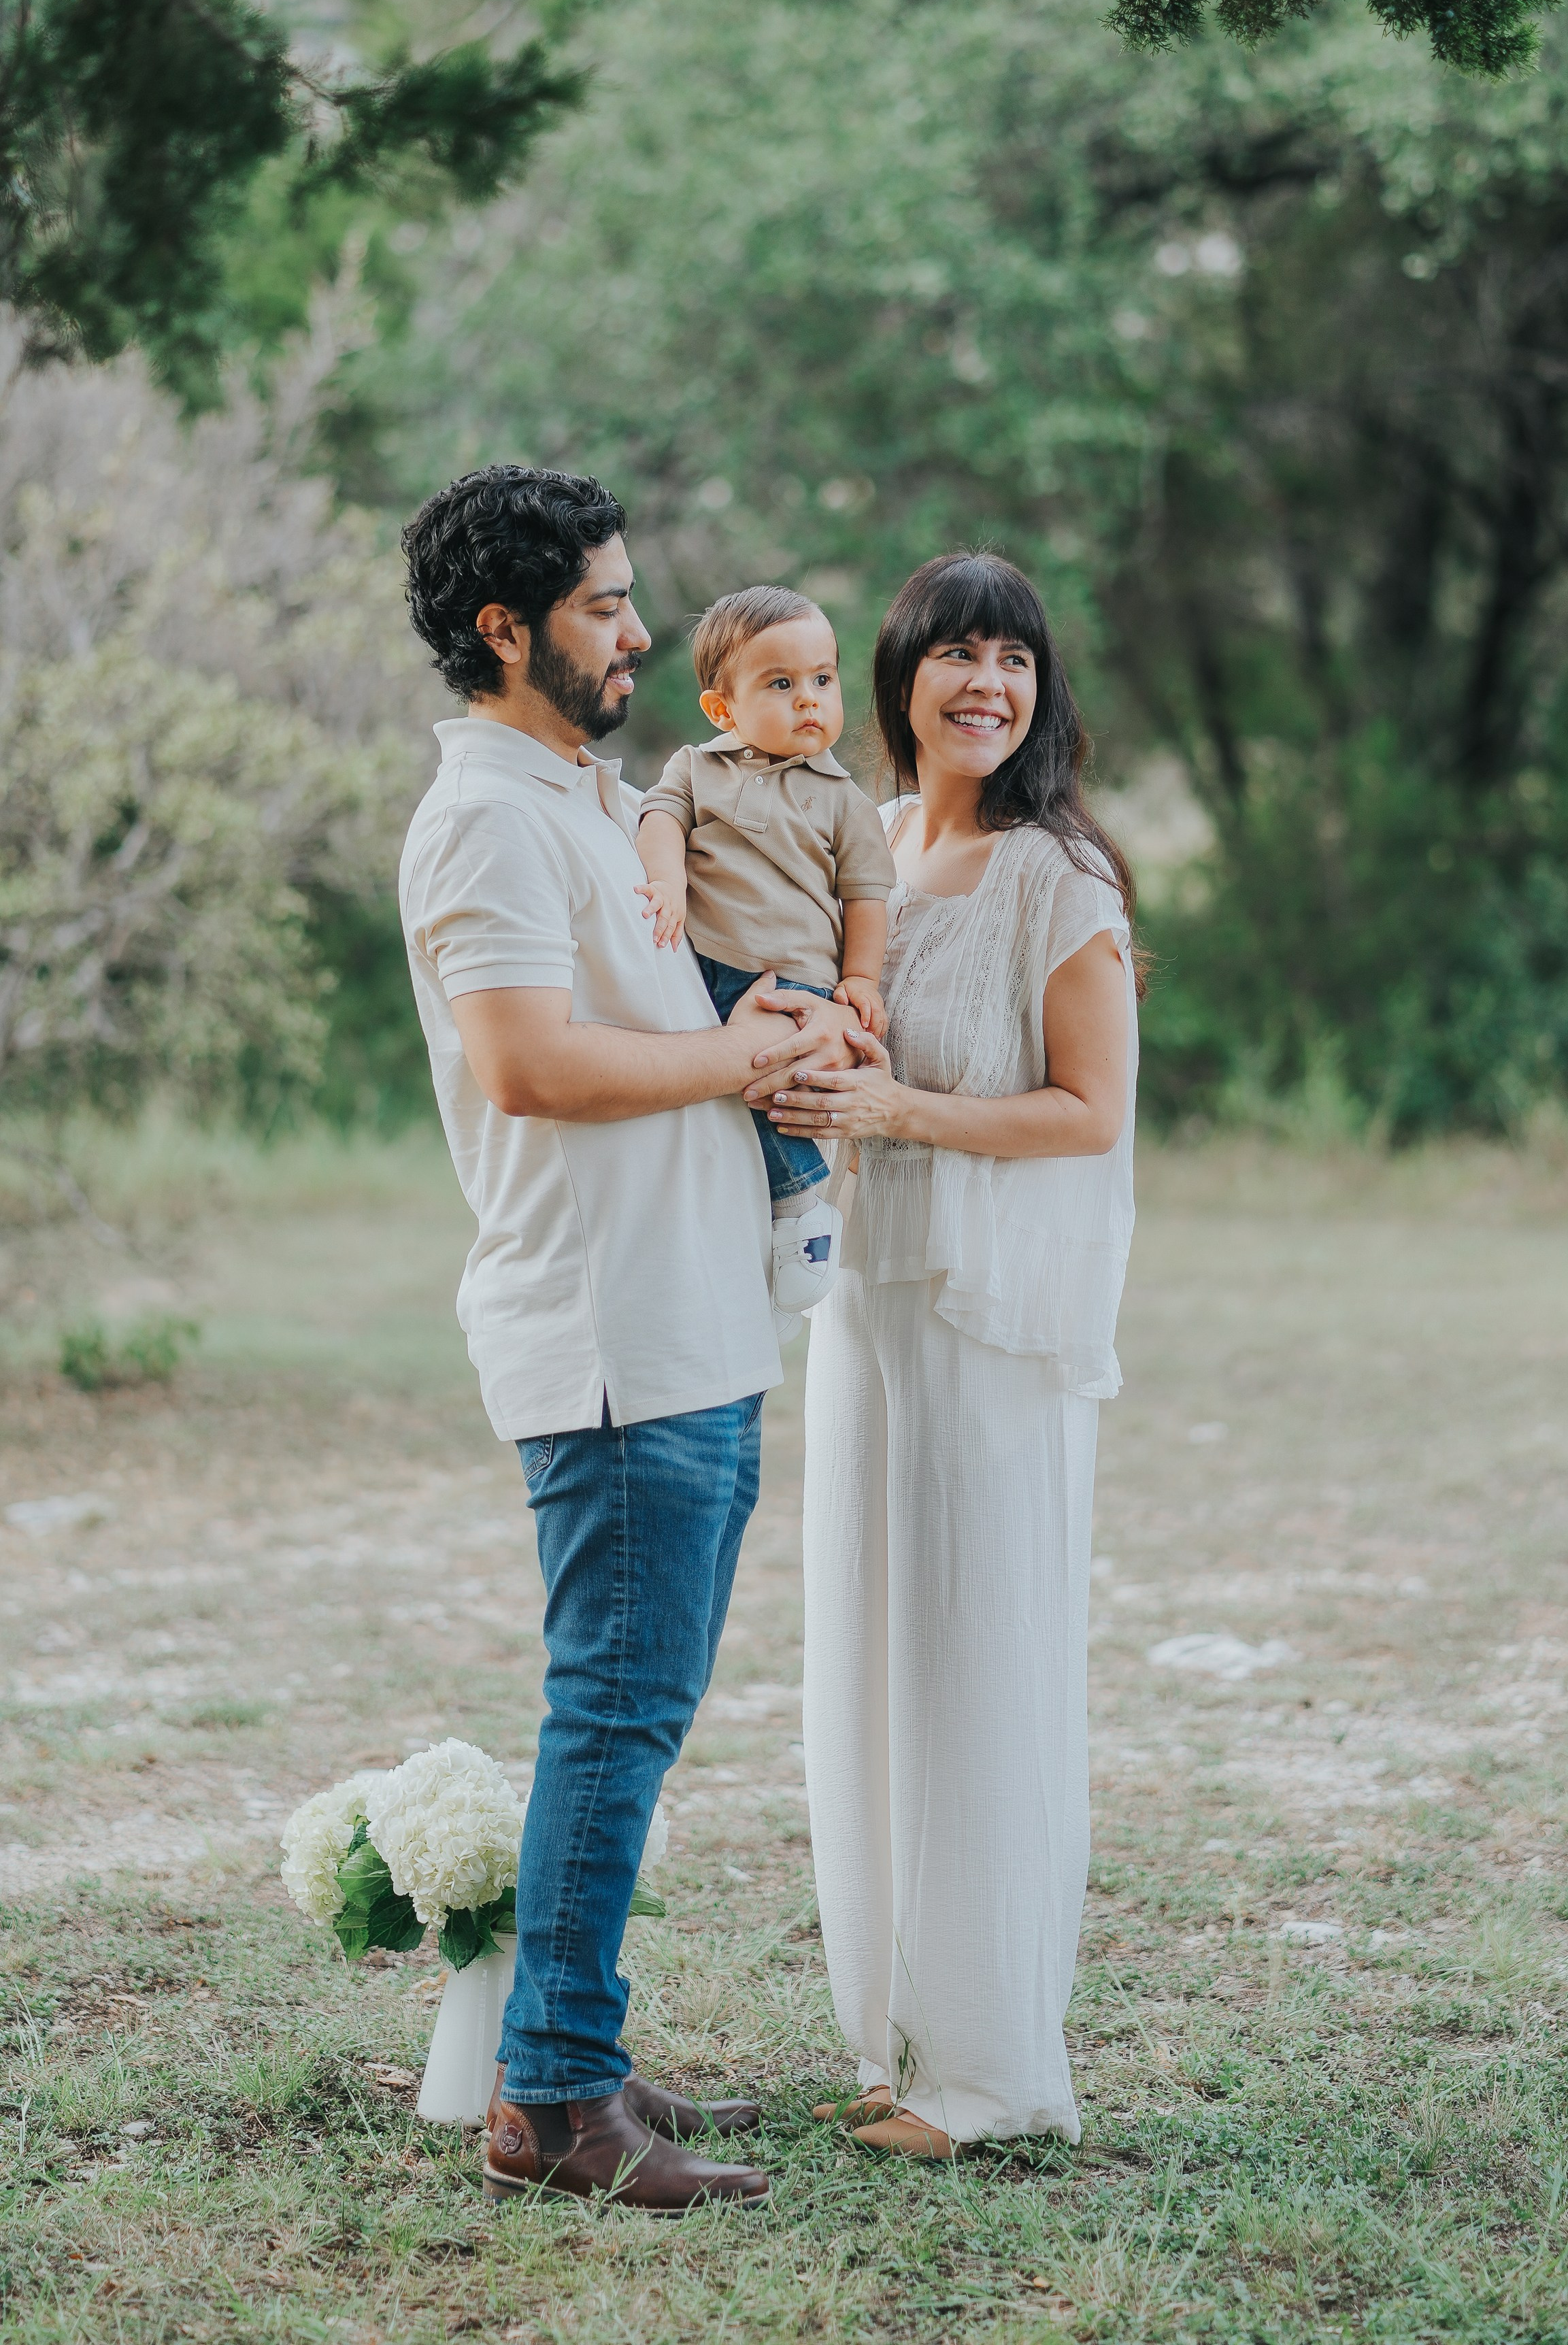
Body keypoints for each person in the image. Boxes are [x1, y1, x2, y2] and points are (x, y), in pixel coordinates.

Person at [397, 466, 848, 2212]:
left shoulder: (581, 796)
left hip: (691, 1321)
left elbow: (649, 1025)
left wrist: (770, 1034)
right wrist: (740, 1065)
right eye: (604, 604)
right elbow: (530, 1065)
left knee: (633, 1716)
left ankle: (576, 2038)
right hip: (606, 1340)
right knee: (613, 1715)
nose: (642, 630)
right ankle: (556, 2101)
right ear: (506, 629)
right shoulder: (488, 820)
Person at [765, 551, 1140, 2158]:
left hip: (991, 1329)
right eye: (956, 655)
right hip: (869, 1316)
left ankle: (992, 2076)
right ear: (901, 679)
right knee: (872, 1660)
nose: (987, 683)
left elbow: (1089, 1113)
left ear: (1039, 690)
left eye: (1015, 658)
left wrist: (901, 1109)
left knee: (979, 1664)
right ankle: (897, 2033)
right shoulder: (869, 850)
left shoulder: (1063, 884)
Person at [635, 584, 897, 1331]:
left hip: (794, 979)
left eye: (822, 679)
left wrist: (859, 978)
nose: (808, 699)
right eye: (780, 685)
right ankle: (740, 1231)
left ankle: (799, 1211)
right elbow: (660, 819)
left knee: (772, 1099)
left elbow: (867, 896)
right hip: (699, 964)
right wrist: (667, 880)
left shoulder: (842, 797)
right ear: (722, 709)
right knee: (702, 1096)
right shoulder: (696, 767)